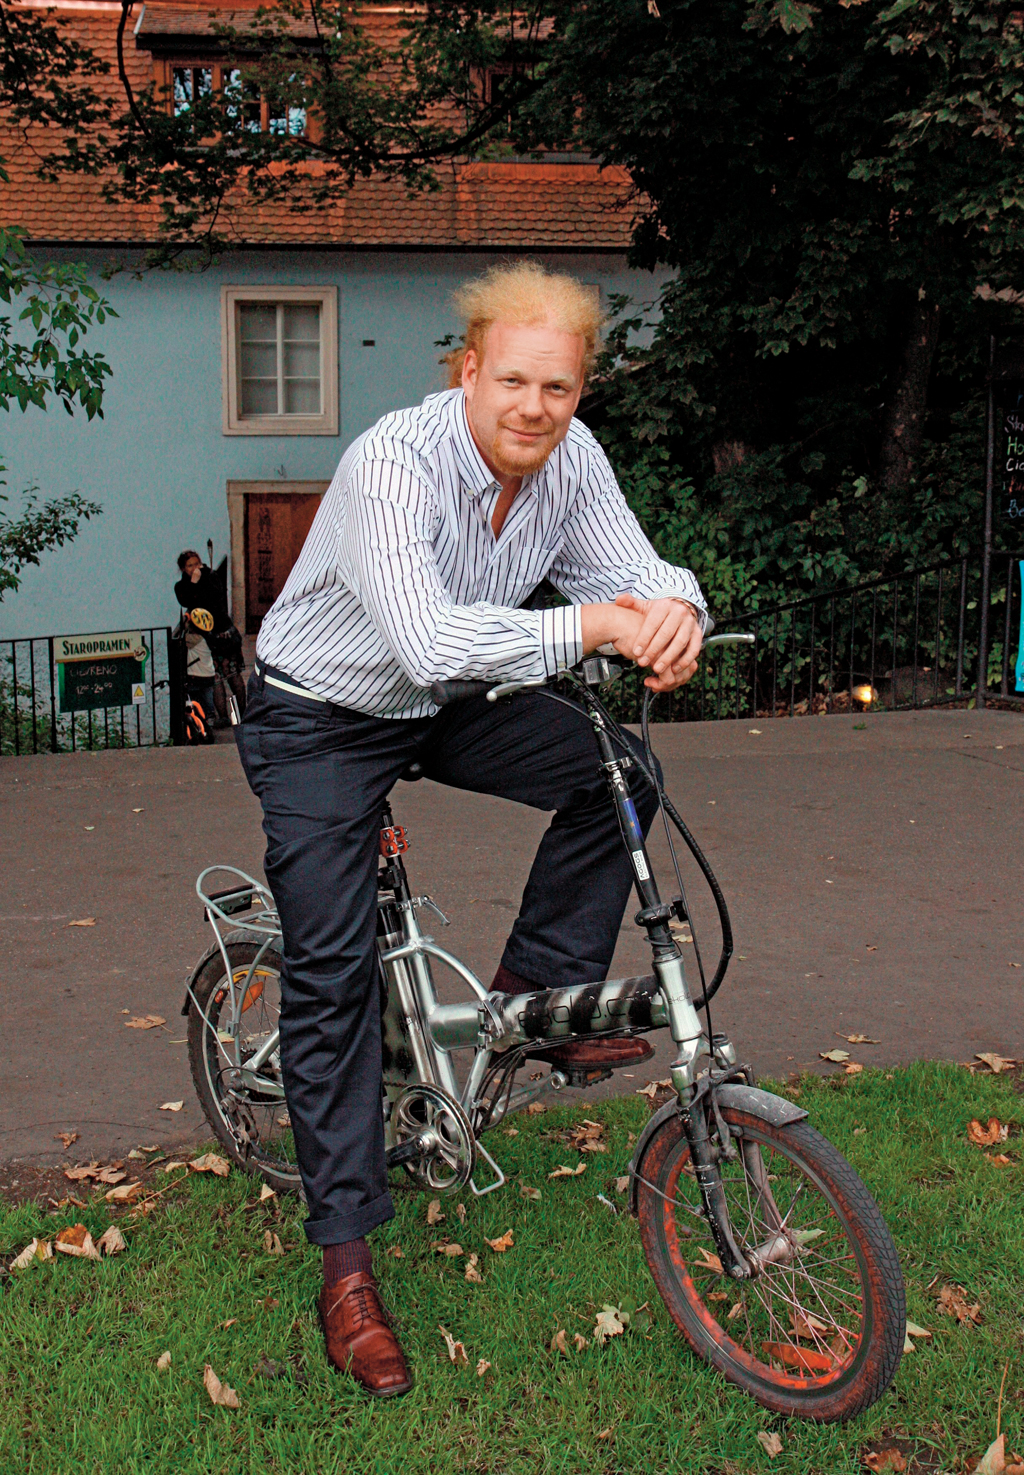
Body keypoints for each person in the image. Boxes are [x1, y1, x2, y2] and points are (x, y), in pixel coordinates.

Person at [238, 261, 708, 1399]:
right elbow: (429, 640)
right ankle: (347, 1268)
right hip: (321, 713)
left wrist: (677, 613)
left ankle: (530, 999)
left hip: (444, 703)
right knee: (334, 975)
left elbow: (642, 573)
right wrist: (594, 625)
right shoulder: (393, 462)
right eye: (512, 380)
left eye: (558, 386)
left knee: (619, 772)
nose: (533, 407)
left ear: (579, 390)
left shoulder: (572, 460)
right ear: (468, 371)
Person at [174, 550, 247, 719]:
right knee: (216, 678)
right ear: (183, 569)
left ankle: (242, 714)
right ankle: (223, 717)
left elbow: (214, 599)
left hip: (223, 633)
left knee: (233, 675)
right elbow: (188, 601)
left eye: (196, 564)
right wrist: (194, 583)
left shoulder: (212, 577)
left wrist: (202, 579)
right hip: (207, 638)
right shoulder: (181, 586)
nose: (194, 568)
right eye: (189, 566)